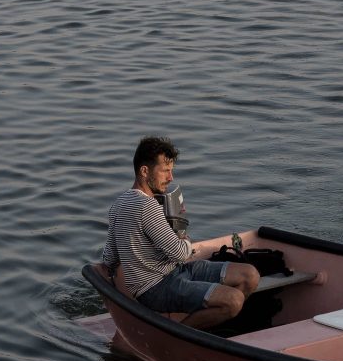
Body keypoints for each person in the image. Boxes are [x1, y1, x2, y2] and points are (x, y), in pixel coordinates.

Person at [100, 136, 258, 329]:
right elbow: (181, 253)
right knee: (234, 300)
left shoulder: (118, 205)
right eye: (165, 171)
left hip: (175, 272)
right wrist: (183, 237)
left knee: (249, 275)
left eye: (171, 171)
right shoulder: (148, 206)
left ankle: (214, 319)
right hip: (157, 287)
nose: (171, 178)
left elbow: (109, 258)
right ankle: (179, 335)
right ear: (144, 171)